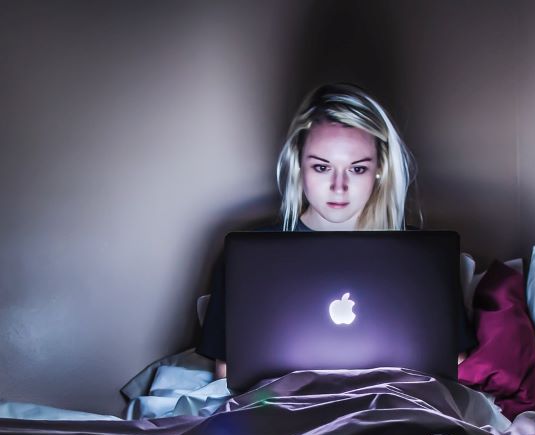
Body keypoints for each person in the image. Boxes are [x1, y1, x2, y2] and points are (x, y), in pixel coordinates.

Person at [197, 83, 478, 379]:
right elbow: (228, 370)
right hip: (286, 410)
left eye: (357, 169)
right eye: (322, 167)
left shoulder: (421, 255)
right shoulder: (249, 256)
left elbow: (453, 361)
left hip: (390, 405)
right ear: (298, 164)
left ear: (380, 169)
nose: (339, 187)